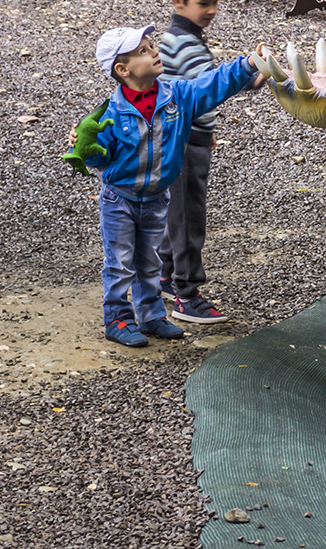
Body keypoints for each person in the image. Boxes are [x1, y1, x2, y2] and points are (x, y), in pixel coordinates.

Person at [90, 24, 264, 347]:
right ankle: (117, 318)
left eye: (151, 45)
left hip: (156, 199)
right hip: (120, 201)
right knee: (120, 263)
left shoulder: (177, 98)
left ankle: (152, 315)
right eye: (143, 51)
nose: (154, 51)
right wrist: (85, 147)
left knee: (150, 260)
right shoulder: (109, 115)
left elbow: (211, 85)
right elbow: (97, 160)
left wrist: (247, 65)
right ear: (122, 69)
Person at [158, 0, 232, 323]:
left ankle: (167, 276)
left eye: (215, 2)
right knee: (189, 217)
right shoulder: (185, 44)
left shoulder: (175, 39)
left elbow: (179, 94)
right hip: (186, 144)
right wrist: (252, 75)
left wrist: (207, 129)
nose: (212, 10)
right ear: (179, 1)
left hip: (185, 136)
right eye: (204, 3)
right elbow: (209, 87)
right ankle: (187, 296)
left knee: (177, 213)